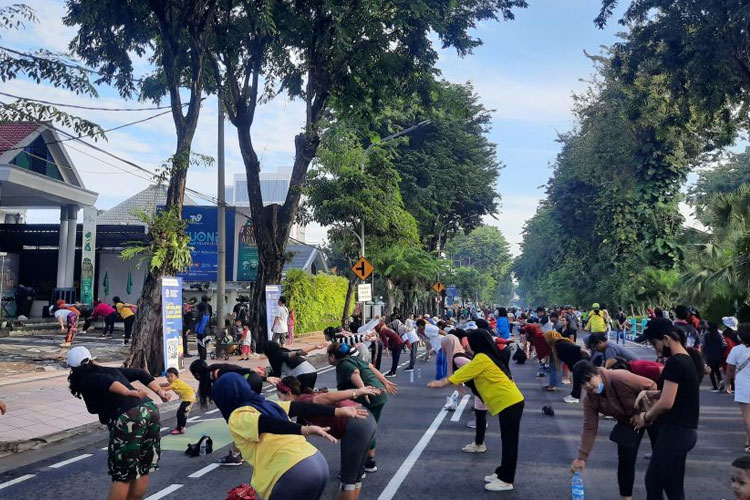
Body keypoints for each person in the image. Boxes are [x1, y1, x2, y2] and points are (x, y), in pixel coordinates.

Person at [212, 373, 353, 500]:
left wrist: (303, 429)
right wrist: (337, 411)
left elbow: (266, 423)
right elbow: (301, 407)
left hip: (293, 471)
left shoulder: (237, 417)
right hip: (316, 462)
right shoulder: (268, 404)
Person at [67, 346, 170, 500]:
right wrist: (160, 392)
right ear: (91, 359)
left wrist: (128, 392)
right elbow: (140, 373)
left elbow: (107, 383)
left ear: (71, 367)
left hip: (128, 416)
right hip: (150, 410)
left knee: (122, 474)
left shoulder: (87, 378)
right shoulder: (107, 370)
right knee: (143, 467)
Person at [428, 330, 524, 492]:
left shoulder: (482, 358)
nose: (468, 345)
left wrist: (442, 383)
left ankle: (506, 480)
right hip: (510, 402)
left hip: (510, 402)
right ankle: (502, 472)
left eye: (470, 342)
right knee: (506, 440)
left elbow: (465, 372)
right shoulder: (488, 356)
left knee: (510, 443)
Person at [276, 376, 380, 500]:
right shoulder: (304, 401)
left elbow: (326, 398)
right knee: (355, 477)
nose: (280, 400)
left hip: (356, 423)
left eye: (280, 397)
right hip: (365, 419)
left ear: (288, 394)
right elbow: (300, 430)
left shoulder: (303, 401)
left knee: (348, 482)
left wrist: (357, 391)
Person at [632, 317, 701, 500]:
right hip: (683, 432)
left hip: (676, 432)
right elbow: (675, 392)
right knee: (672, 486)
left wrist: (645, 417)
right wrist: (651, 394)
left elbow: (666, 402)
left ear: (666, 339)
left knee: (655, 482)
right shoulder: (686, 359)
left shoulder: (675, 362)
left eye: (655, 343)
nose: (655, 349)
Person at [570, 360, 657, 500]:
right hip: (627, 421)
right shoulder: (590, 400)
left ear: (597, 373)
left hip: (652, 415)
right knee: (625, 461)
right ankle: (626, 498)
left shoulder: (619, 378)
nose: (587, 385)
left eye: (588, 380)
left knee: (659, 460)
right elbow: (589, 427)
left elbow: (652, 385)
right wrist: (582, 458)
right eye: (583, 384)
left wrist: (644, 415)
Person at [327, 342, 398, 474]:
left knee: (356, 432)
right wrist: (384, 381)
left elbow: (355, 373)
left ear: (332, 356)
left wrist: (362, 389)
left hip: (368, 398)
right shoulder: (354, 359)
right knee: (369, 429)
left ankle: (356, 469)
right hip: (378, 396)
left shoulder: (343, 364)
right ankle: (369, 462)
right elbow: (371, 367)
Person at [189, 359, 266, 465]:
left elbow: (233, 371)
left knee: (238, 422)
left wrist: (230, 420)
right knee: (247, 417)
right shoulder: (213, 374)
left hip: (248, 383)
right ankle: (250, 448)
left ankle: (236, 455)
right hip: (252, 381)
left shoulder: (216, 373)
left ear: (197, 374)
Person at [443, 333, 489, 452]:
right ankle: (479, 443)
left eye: (444, 345)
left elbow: (476, 370)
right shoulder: (460, 354)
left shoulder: (457, 357)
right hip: (480, 388)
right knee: (480, 413)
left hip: (482, 387)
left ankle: (479, 444)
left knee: (481, 414)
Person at [726, 324, 750, 454]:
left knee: (747, 416)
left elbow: (730, 369)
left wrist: (727, 383)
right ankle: (748, 439)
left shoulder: (736, 350)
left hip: (743, 385)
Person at [160, 367, 196, 435]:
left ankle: (180, 428)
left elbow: (166, 388)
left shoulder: (176, 382)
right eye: (167, 377)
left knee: (181, 413)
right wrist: (155, 385)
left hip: (189, 399)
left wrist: (158, 388)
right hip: (188, 398)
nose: (169, 378)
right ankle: (181, 427)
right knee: (181, 413)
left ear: (177, 376)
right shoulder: (174, 382)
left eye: (171, 376)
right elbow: (166, 384)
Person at [703, 321, 727, 392]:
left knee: (711, 372)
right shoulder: (719, 335)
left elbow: (704, 345)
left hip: (710, 356)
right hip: (718, 356)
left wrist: (705, 353)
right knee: (717, 371)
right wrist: (720, 351)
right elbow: (724, 345)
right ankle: (720, 385)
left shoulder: (706, 335)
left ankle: (714, 386)